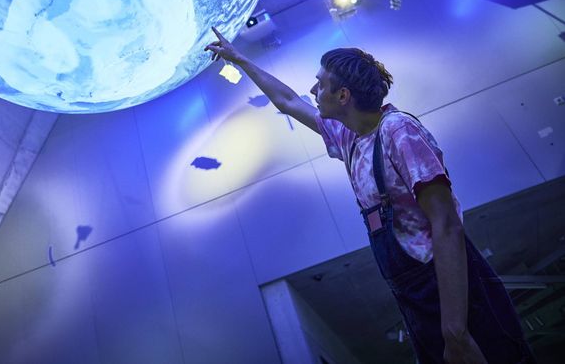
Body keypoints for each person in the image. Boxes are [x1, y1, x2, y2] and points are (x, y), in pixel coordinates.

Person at [205, 28, 533, 364]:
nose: (313, 91)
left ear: (343, 96)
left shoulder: (399, 130)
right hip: (415, 297)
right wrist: (240, 58)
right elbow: (287, 101)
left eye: (320, 84)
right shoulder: (347, 136)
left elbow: (447, 225)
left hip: (454, 292)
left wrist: (455, 331)